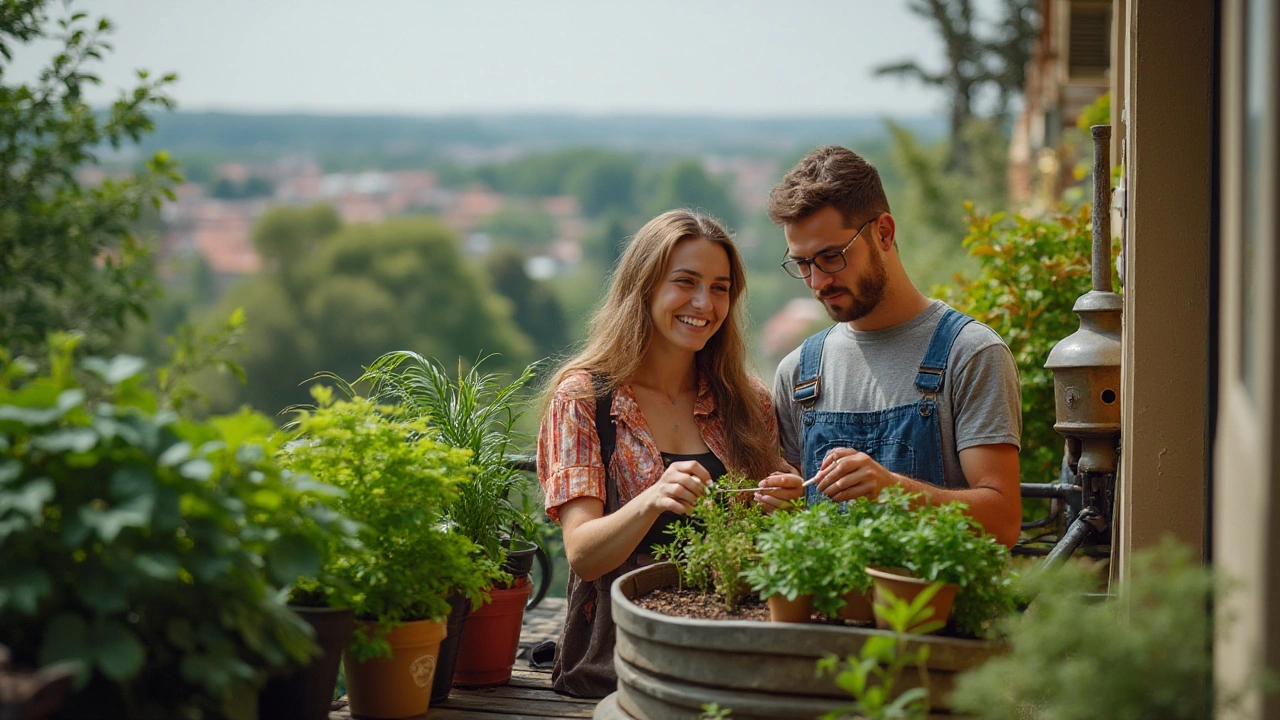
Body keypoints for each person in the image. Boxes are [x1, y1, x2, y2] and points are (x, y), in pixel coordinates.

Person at [536, 209, 781, 697]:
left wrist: (783, 504)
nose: (703, 303)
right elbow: (583, 554)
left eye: (720, 287)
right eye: (685, 282)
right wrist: (651, 499)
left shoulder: (749, 401)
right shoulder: (586, 398)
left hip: (732, 652)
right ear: (643, 287)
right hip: (623, 659)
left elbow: (767, 542)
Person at [755, 146, 1022, 548]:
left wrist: (894, 490)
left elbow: (1002, 523)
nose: (816, 282)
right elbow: (802, 524)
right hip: (823, 610)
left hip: (934, 609)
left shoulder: (970, 355)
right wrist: (786, 504)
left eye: (831, 257)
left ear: (884, 232)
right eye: (803, 264)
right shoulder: (798, 372)